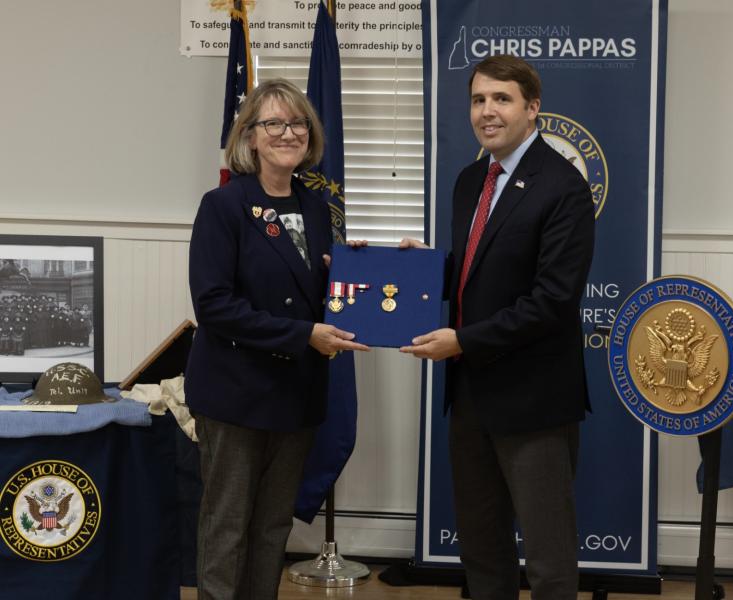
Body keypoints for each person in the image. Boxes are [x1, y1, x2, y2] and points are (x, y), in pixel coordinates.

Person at [399, 55, 595, 599]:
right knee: (482, 550)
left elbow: (551, 301)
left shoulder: (563, 188)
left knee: (549, 559)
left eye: (501, 99)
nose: (487, 111)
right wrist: (415, 269)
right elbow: (477, 273)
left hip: (533, 400)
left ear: (533, 108)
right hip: (471, 397)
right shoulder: (470, 180)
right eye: (478, 99)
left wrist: (462, 340)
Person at [185, 78, 369, 600]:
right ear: (249, 136)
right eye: (273, 123)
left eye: (297, 124)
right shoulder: (223, 206)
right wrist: (303, 333)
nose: (287, 133)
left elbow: (309, 288)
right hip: (235, 393)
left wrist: (353, 270)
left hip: (295, 394)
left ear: (310, 136)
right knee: (227, 525)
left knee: (272, 527)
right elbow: (215, 306)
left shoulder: (314, 207)